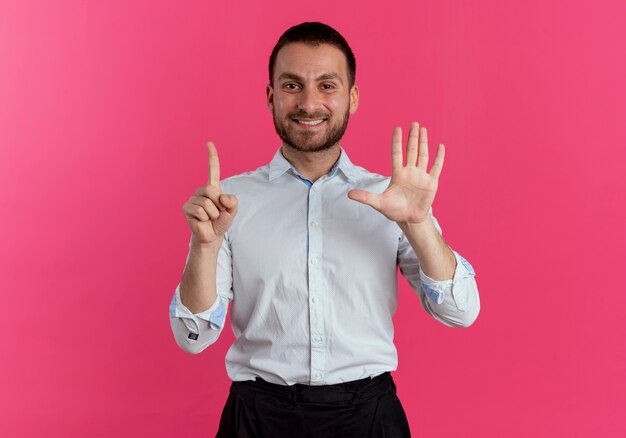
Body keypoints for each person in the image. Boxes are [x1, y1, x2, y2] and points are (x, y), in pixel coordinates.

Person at [169, 21, 480, 437]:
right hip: (258, 419)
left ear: (352, 99)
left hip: (369, 418)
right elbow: (192, 339)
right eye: (293, 85)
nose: (309, 103)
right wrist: (203, 246)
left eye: (328, 85)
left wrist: (419, 223)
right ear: (271, 97)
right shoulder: (227, 203)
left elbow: (460, 312)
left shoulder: (391, 198)